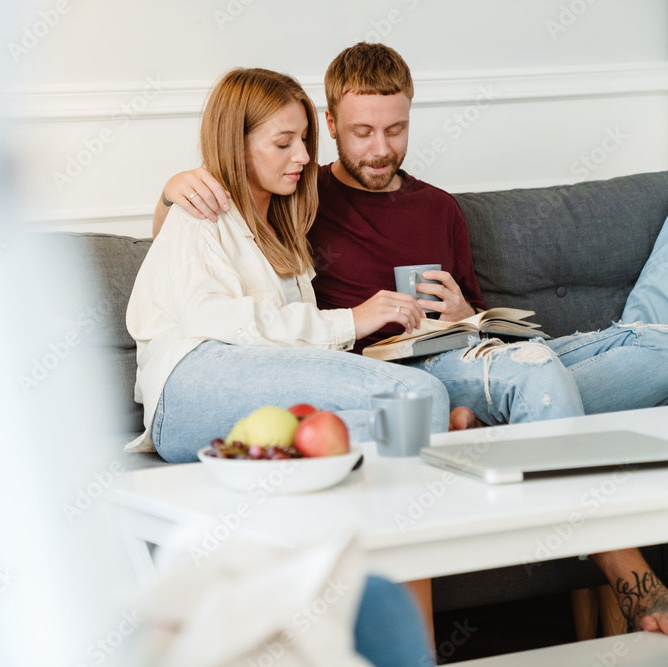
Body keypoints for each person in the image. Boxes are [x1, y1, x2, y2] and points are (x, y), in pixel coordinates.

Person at [150, 45, 668, 637]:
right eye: (362, 131)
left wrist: (463, 310)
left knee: (629, 352)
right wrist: (172, 190)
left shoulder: (438, 208)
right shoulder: (303, 194)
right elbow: (197, 256)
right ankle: (626, 569)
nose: (380, 148)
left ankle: (487, 427)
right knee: (525, 373)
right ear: (332, 124)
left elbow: (480, 319)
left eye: (395, 130)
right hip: (386, 370)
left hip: (461, 349)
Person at [127, 66, 438, 666]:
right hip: (191, 384)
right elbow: (228, 325)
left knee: (392, 423)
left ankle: (364, 628)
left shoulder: (282, 228)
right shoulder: (201, 210)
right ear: (234, 144)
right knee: (412, 399)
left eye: (304, 140)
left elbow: (291, 352)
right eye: (282, 143)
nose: (301, 156)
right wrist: (353, 320)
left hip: (241, 385)